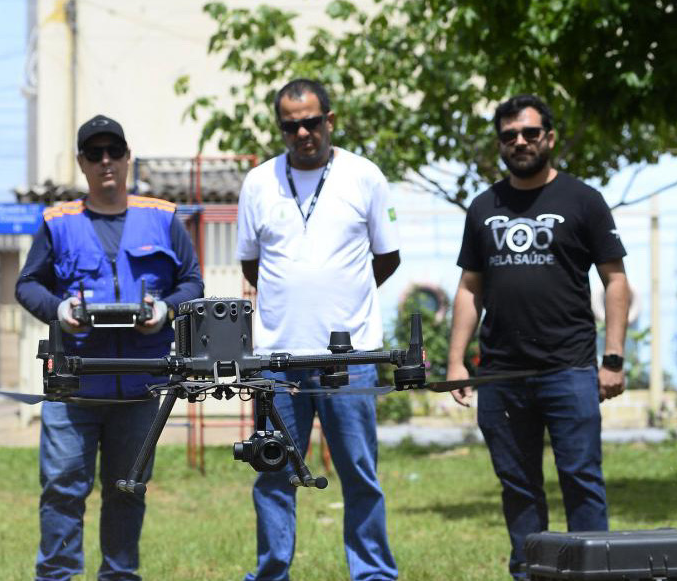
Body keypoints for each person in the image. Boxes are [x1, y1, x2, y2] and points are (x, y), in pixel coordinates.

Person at [446, 94, 629, 580]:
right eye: (510, 136)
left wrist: (612, 357)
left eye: (529, 133)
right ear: (500, 143)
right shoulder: (483, 207)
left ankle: (594, 573)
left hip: (568, 370)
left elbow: (616, 281)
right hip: (501, 376)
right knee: (518, 487)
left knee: (581, 481)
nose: (520, 142)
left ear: (548, 136)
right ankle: (530, 573)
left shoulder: (583, 200)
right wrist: (456, 362)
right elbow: (469, 288)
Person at [15, 114, 204, 581]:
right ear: (81, 162)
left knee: (128, 489)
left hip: (141, 386)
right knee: (62, 489)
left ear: (127, 157)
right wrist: (59, 310)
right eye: (94, 154)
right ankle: (56, 576)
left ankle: (120, 576)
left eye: (113, 152)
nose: (105, 162)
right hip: (75, 385)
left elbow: (193, 282)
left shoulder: (162, 216)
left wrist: (165, 311)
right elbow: (27, 285)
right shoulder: (58, 222)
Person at [236, 78, 401, 581]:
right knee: (272, 473)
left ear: (330, 120)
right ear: (281, 128)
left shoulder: (364, 176)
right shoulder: (258, 183)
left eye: (311, 122)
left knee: (359, 473)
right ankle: (272, 572)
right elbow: (251, 265)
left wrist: (343, 298)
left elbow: (387, 257)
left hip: (348, 362)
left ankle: (372, 572)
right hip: (276, 358)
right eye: (291, 126)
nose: (303, 133)